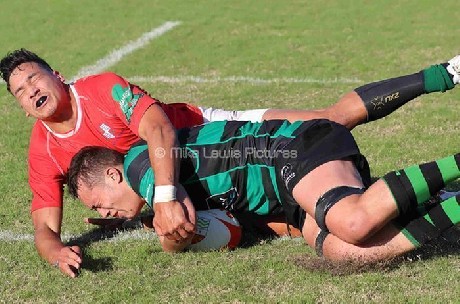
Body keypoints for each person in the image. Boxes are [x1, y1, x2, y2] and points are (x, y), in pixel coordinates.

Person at [1, 48, 459, 277]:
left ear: (55, 76)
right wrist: (56, 249)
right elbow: (44, 225)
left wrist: (161, 198)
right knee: (344, 249)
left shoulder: (100, 91)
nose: (32, 91)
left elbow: (159, 128)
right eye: (21, 91)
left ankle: (444, 75)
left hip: (213, 133)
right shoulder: (44, 152)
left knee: (333, 120)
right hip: (209, 181)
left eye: (34, 79)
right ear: (21, 107)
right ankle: (444, 201)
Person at [67, 119, 460, 264]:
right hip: (290, 199)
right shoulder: (156, 201)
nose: (106, 214)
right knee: (346, 252)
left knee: (354, 221)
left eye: (98, 203)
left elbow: (178, 222)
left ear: (114, 177)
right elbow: (230, 234)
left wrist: (168, 230)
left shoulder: (140, 165)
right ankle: (452, 206)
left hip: (286, 149)